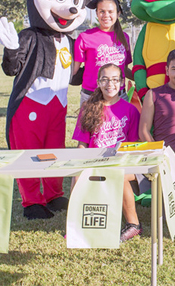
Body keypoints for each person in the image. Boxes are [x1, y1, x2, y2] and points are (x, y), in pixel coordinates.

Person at [125, 49, 175, 216]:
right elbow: (144, 130)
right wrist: (160, 158)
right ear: (167, 71)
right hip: (160, 161)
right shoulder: (153, 94)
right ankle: (146, 186)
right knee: (163, 214)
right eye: (174, 69)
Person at [71, 63, 141, 242]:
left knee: (120, 174)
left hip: (123, 163)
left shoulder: (131, 110)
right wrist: (80, 166)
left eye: (115, 80)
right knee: (77, 176)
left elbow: (133, 146)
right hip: (96, 163)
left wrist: (121, 162)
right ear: (98, 82)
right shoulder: (89, 108)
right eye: (105, 79)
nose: (110, 84)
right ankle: (76, 223)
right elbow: (82, 144)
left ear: (122, 82)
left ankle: (133, 224)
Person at [73, 0, 133, 106]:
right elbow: (74, 70)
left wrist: (142, 78)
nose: (106, 15)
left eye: (110, 11)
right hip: (92, 97)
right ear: (96, 13)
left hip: (119, 96)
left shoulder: (124, 37)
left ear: (118, 13)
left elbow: (124, 69)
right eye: (102, 11)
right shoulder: (85, 37)